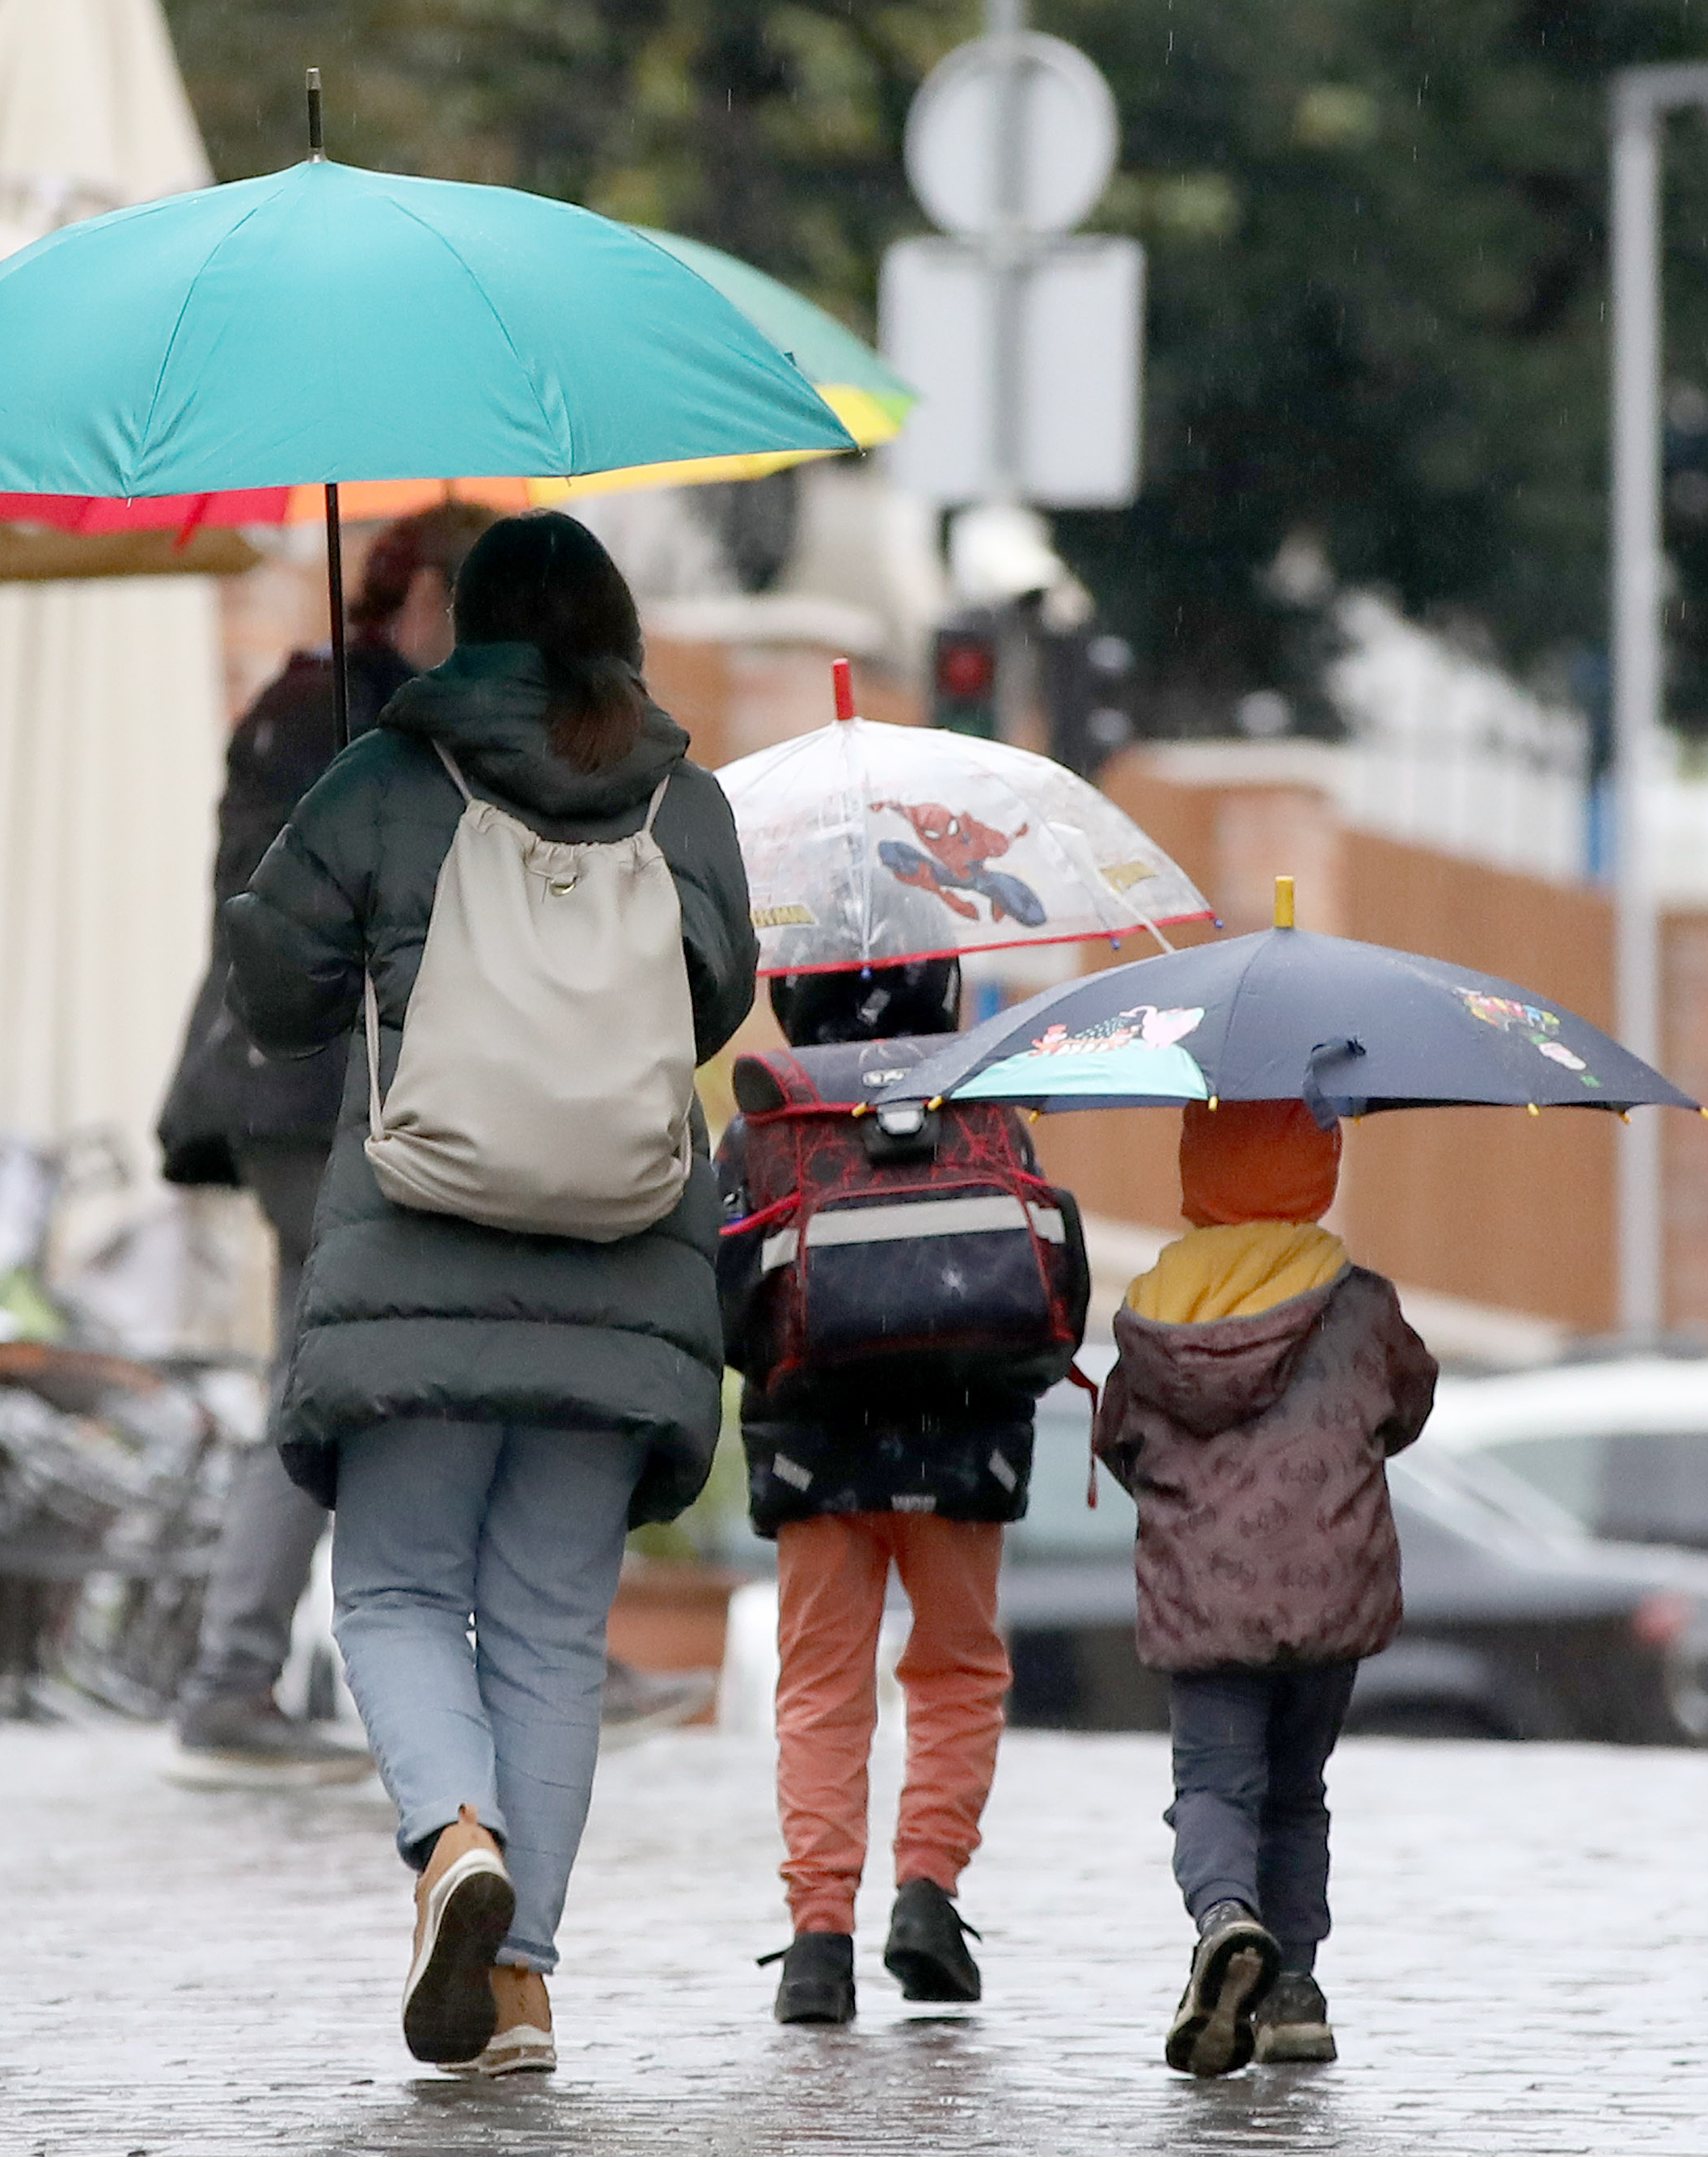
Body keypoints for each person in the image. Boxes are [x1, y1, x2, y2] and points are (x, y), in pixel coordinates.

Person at [222, 510, 760, 2075]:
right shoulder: (686, 798)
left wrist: (353, 847)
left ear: (471, 629)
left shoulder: (390, 776)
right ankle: (519, 1985)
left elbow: (272, 986)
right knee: (549, 1630)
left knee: (394, 1590)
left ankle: (457, 1835)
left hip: (420, 1255)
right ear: (618, 632)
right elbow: (713, 997)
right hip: (622, 1271)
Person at [158, 504, 498, 1780]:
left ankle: (260, 1671)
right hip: (312, 1100)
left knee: (350, 1375)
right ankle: (240, 1675)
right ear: (433, 599)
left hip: (324, 1098)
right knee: (367, 1369)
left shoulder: (370, 716)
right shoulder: (332, 717)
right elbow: (292, 915)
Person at [718, 958, 1085, 2025]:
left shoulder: (768, 1119)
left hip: (816, 1448)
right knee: (958, 1668)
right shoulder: (986, 1108)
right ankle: (927, 1891)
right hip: (965, 1441)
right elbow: (1049, 1285)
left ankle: (817, 1941)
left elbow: (726, 1298)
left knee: (821, 1687)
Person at [1091, 1099, 1436, 2077]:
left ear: (1195, 1172)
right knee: (1296, 1794)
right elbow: (1408, 1402)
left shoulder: (1155, 1309)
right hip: (1329, 1592)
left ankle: (1225, 1922)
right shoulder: (1359, 1306)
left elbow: (1118, 1438)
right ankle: (1294, 1998)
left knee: (1213, 1786)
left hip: (1203, 1601)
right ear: (1317, 1170)